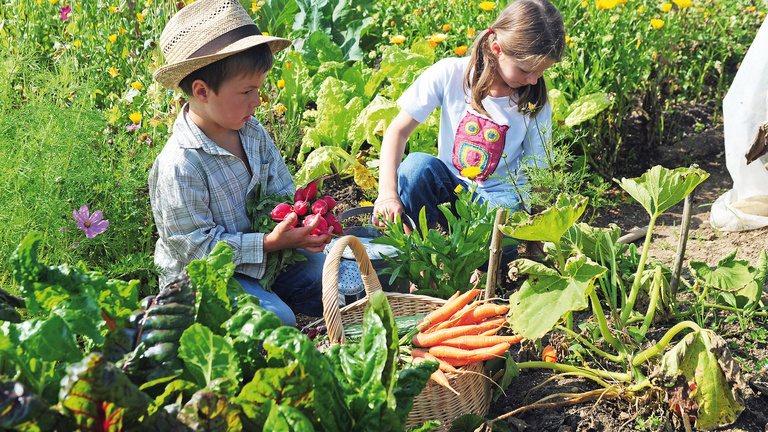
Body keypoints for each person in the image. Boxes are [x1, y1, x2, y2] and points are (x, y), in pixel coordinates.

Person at [149, 0, 335, 327]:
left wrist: (300, 223)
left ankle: (298, 301)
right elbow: (197, 250)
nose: (257, 101)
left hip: (270, 256)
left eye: (259, 89)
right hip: (208, 282)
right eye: (247, 91)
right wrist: (268, 242)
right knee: (276, 323)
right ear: (202, 91)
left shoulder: (252, 132)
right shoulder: (180, 164)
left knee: (342, 277)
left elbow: (281, 191)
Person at [373, 0, 565, 262]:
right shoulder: (450, 73)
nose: (533, 80)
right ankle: (419, 256)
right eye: (526, 70)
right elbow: (397, 132)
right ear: (496, 48)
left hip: (498, 204)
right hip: (452, 190)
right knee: (416, 166)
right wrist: (387, 195)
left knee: (499, 224)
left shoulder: (533, 101)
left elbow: (540, 173)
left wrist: (537, 241)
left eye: (542, 71)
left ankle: (471, 261)